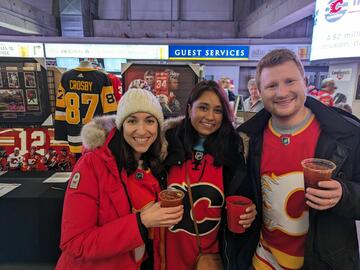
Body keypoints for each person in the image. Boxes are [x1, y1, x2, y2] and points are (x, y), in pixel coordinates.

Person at [237, 49, 360, 269]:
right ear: (260, 91)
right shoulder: (248, 138)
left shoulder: (346, 135)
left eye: (289, 81)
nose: (281, 92)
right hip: (264, 259)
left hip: (323, 262)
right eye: (271, 85)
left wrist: (344, 193)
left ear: (304, 82)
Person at [55, 88, 184, 270]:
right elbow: (75, 243)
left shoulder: (154, 164)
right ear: (121, 125)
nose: (142, 130)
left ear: (158, 126)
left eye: (149, 121)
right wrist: (142, 222)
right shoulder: (92, 164)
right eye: (132, 121)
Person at [162, 80, 257, 270]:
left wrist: (251, 214)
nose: (210, 117)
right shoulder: (166, 145)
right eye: (203, 108)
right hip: (167, 254)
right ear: (189, 109)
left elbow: (245, 199)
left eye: (218, 110)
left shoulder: (233, 152)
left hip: (210, 258)